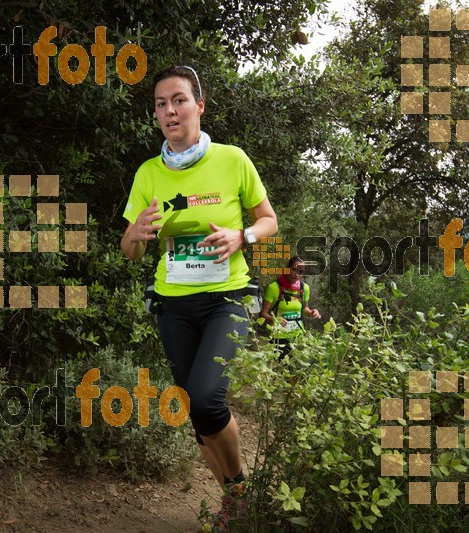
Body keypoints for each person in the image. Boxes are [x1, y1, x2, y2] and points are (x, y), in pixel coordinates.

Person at [120, 65, 278, 527]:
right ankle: (235, 505)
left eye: (179, 100)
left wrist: (241, 236)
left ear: (199, 105)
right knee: (194, 412)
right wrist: (136, 233)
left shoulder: (232, 160)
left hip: (226, 298)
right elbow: (130, 252)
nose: (169, 110)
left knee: (208, 399)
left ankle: (238, 489)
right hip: (174, 305)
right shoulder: (148, 174)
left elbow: (269, 219)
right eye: (160, 104)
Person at [260, 256, 321, 358]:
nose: (296, 274)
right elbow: (263, 314)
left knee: (297, 371)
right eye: (294, 269)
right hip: (279, 337)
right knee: (281, 371)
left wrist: (311, 312)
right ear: (287, 268)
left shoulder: (304, 288)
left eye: (301, 271)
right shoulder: (274, 288)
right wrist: (275, 320)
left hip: (298, 337)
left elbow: (304, 308)